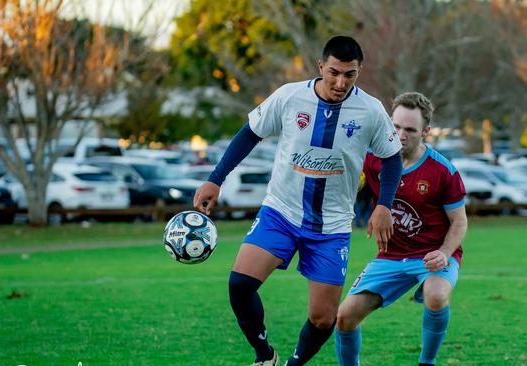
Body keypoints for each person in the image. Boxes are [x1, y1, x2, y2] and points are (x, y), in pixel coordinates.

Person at [193, 36, 402, 366]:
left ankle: (292, 364)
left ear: (359, 72)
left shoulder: (371, 110)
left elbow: (392, 158)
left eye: (350, 74)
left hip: (331, 227)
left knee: (322, 319)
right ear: (320, 67)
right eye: (333, 72)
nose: (340, 82)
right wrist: (215, 178)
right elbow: (249, 133)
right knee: (240, 285)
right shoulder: (290, 97)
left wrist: (383, 205)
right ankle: (265, 356)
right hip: (281, 212)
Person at [334, 92, 468, 366]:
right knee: (344, 318)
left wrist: (444, 253)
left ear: (426, 132)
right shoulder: (372, 159)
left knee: (436, 295)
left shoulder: (443, 171)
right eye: (395, 127)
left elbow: (459, 222)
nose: (400, 134)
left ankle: (426, 363)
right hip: (390, 257)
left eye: (410, 129)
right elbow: (348, 183)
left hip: (433, 256)